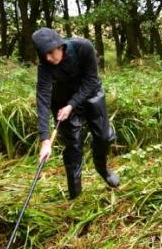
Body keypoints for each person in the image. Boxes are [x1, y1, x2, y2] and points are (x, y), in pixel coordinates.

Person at [33, 27, 119, 199]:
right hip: (62, 103)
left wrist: (72, 105)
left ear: (59, 45)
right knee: (73, 146)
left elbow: (91, 80)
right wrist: (45, 140)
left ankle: (102, 169)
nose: (49, 59)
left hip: (91, 94)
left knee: (103, 137)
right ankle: (75, 195)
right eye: (44, 55)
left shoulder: (83, 47)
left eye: (50, 53)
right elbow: (42, 100)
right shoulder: (45, 67)